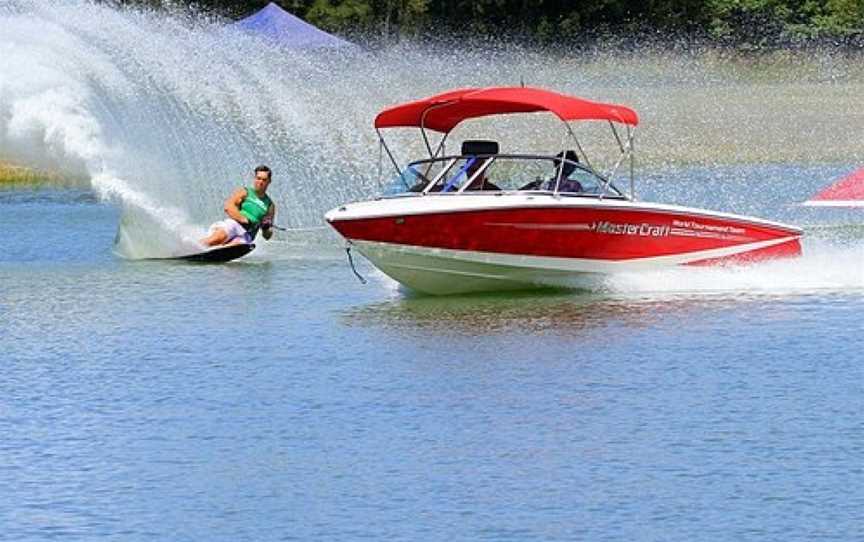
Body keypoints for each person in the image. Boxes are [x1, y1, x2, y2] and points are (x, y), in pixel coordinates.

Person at [201, 165, 276, 247]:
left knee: (235, 247)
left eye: (264, 180)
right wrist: (244, 219)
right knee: (218, 238)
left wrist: (266, 228)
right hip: (234, 225)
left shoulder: (270, 205)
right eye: (258, 178)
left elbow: (267, 236)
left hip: (247, 234)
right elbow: (228, 207)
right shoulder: (245, 192)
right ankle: (191, 248)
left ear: (269, 181)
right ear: (255, 178)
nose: (260, 182)